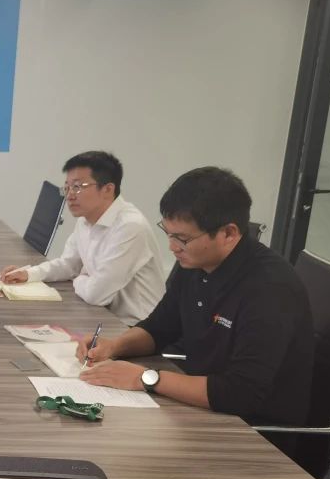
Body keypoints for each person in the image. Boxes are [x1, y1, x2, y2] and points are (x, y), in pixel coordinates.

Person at [77, 167, 314, 436]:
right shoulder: (195, 263)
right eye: (168, 233)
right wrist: (114, 346)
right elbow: (160, 328)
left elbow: (241, 393)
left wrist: (144, 378)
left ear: (229, 233)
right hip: (202, 408)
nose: (172, 247)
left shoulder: (269, 289)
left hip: (254, 432)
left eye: (182, 238)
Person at [0, 151, 166, 325]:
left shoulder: (130, 227)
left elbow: (96, 295)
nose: (70, 195)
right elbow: (69, 264)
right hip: (101, 316)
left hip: (136, 327)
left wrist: (79, 278)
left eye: (78, 187)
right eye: (67, 187)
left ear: (108, 189)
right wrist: (29, 273)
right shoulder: (85, 220)